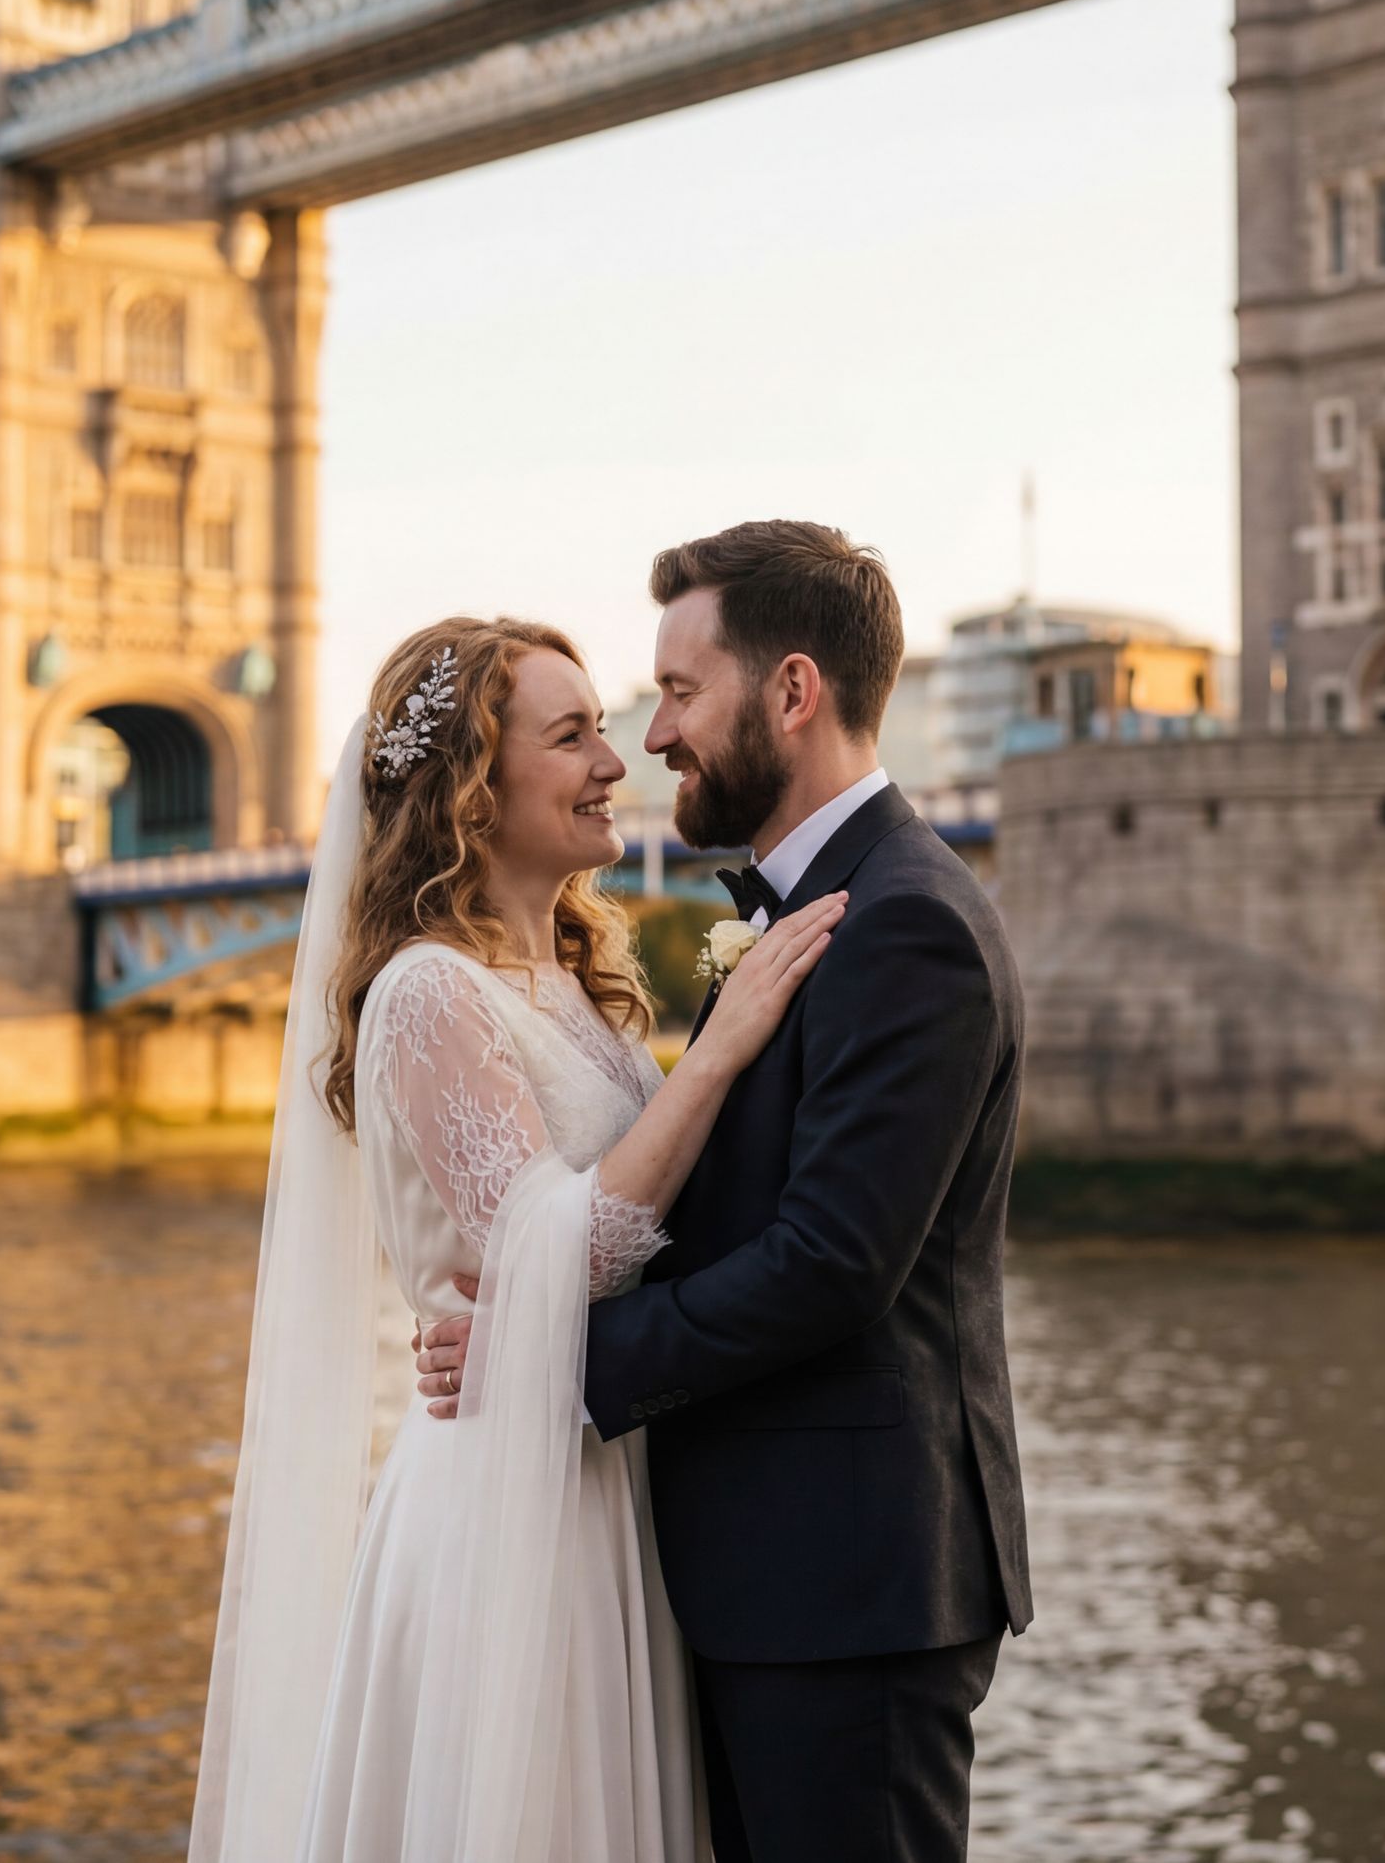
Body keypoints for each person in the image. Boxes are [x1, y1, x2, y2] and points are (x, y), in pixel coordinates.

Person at [418, 521, 1034, 1861]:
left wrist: (546, 1351)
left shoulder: (905, 920)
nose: (654, 739)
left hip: (848, 1590)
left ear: (793, 691)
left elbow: (829, 1263)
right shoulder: (796, 916)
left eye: (679, 693)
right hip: (754, 1580)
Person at [188, 614, 846, 1862]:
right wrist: (722, 1050)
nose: (617, 760)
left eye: (604, 727)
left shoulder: (579, 986)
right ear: (472, 796)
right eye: (574, 734)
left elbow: (640, 1236)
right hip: (507, 1504)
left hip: (604, 1467)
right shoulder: (427, 990)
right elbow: (576, 1248)